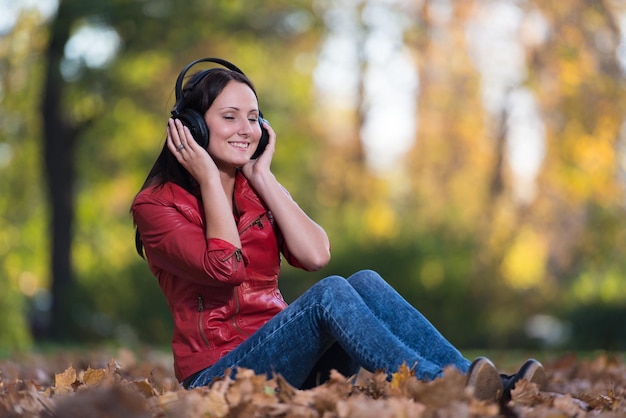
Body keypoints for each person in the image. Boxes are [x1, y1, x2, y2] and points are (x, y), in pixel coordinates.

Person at [131, 58, 547, 402]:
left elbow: (315, 255)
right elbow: (225, 268)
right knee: (329, 292)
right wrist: (207, 180)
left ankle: (473, 379)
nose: (246, 129)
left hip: (292, 364)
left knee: (363, 280)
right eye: (229, 117)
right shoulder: (156, 205)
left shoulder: (254, 190)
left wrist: (264, 177)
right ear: (193, 127)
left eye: (254, 118)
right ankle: (446, 387)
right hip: (219, 380)